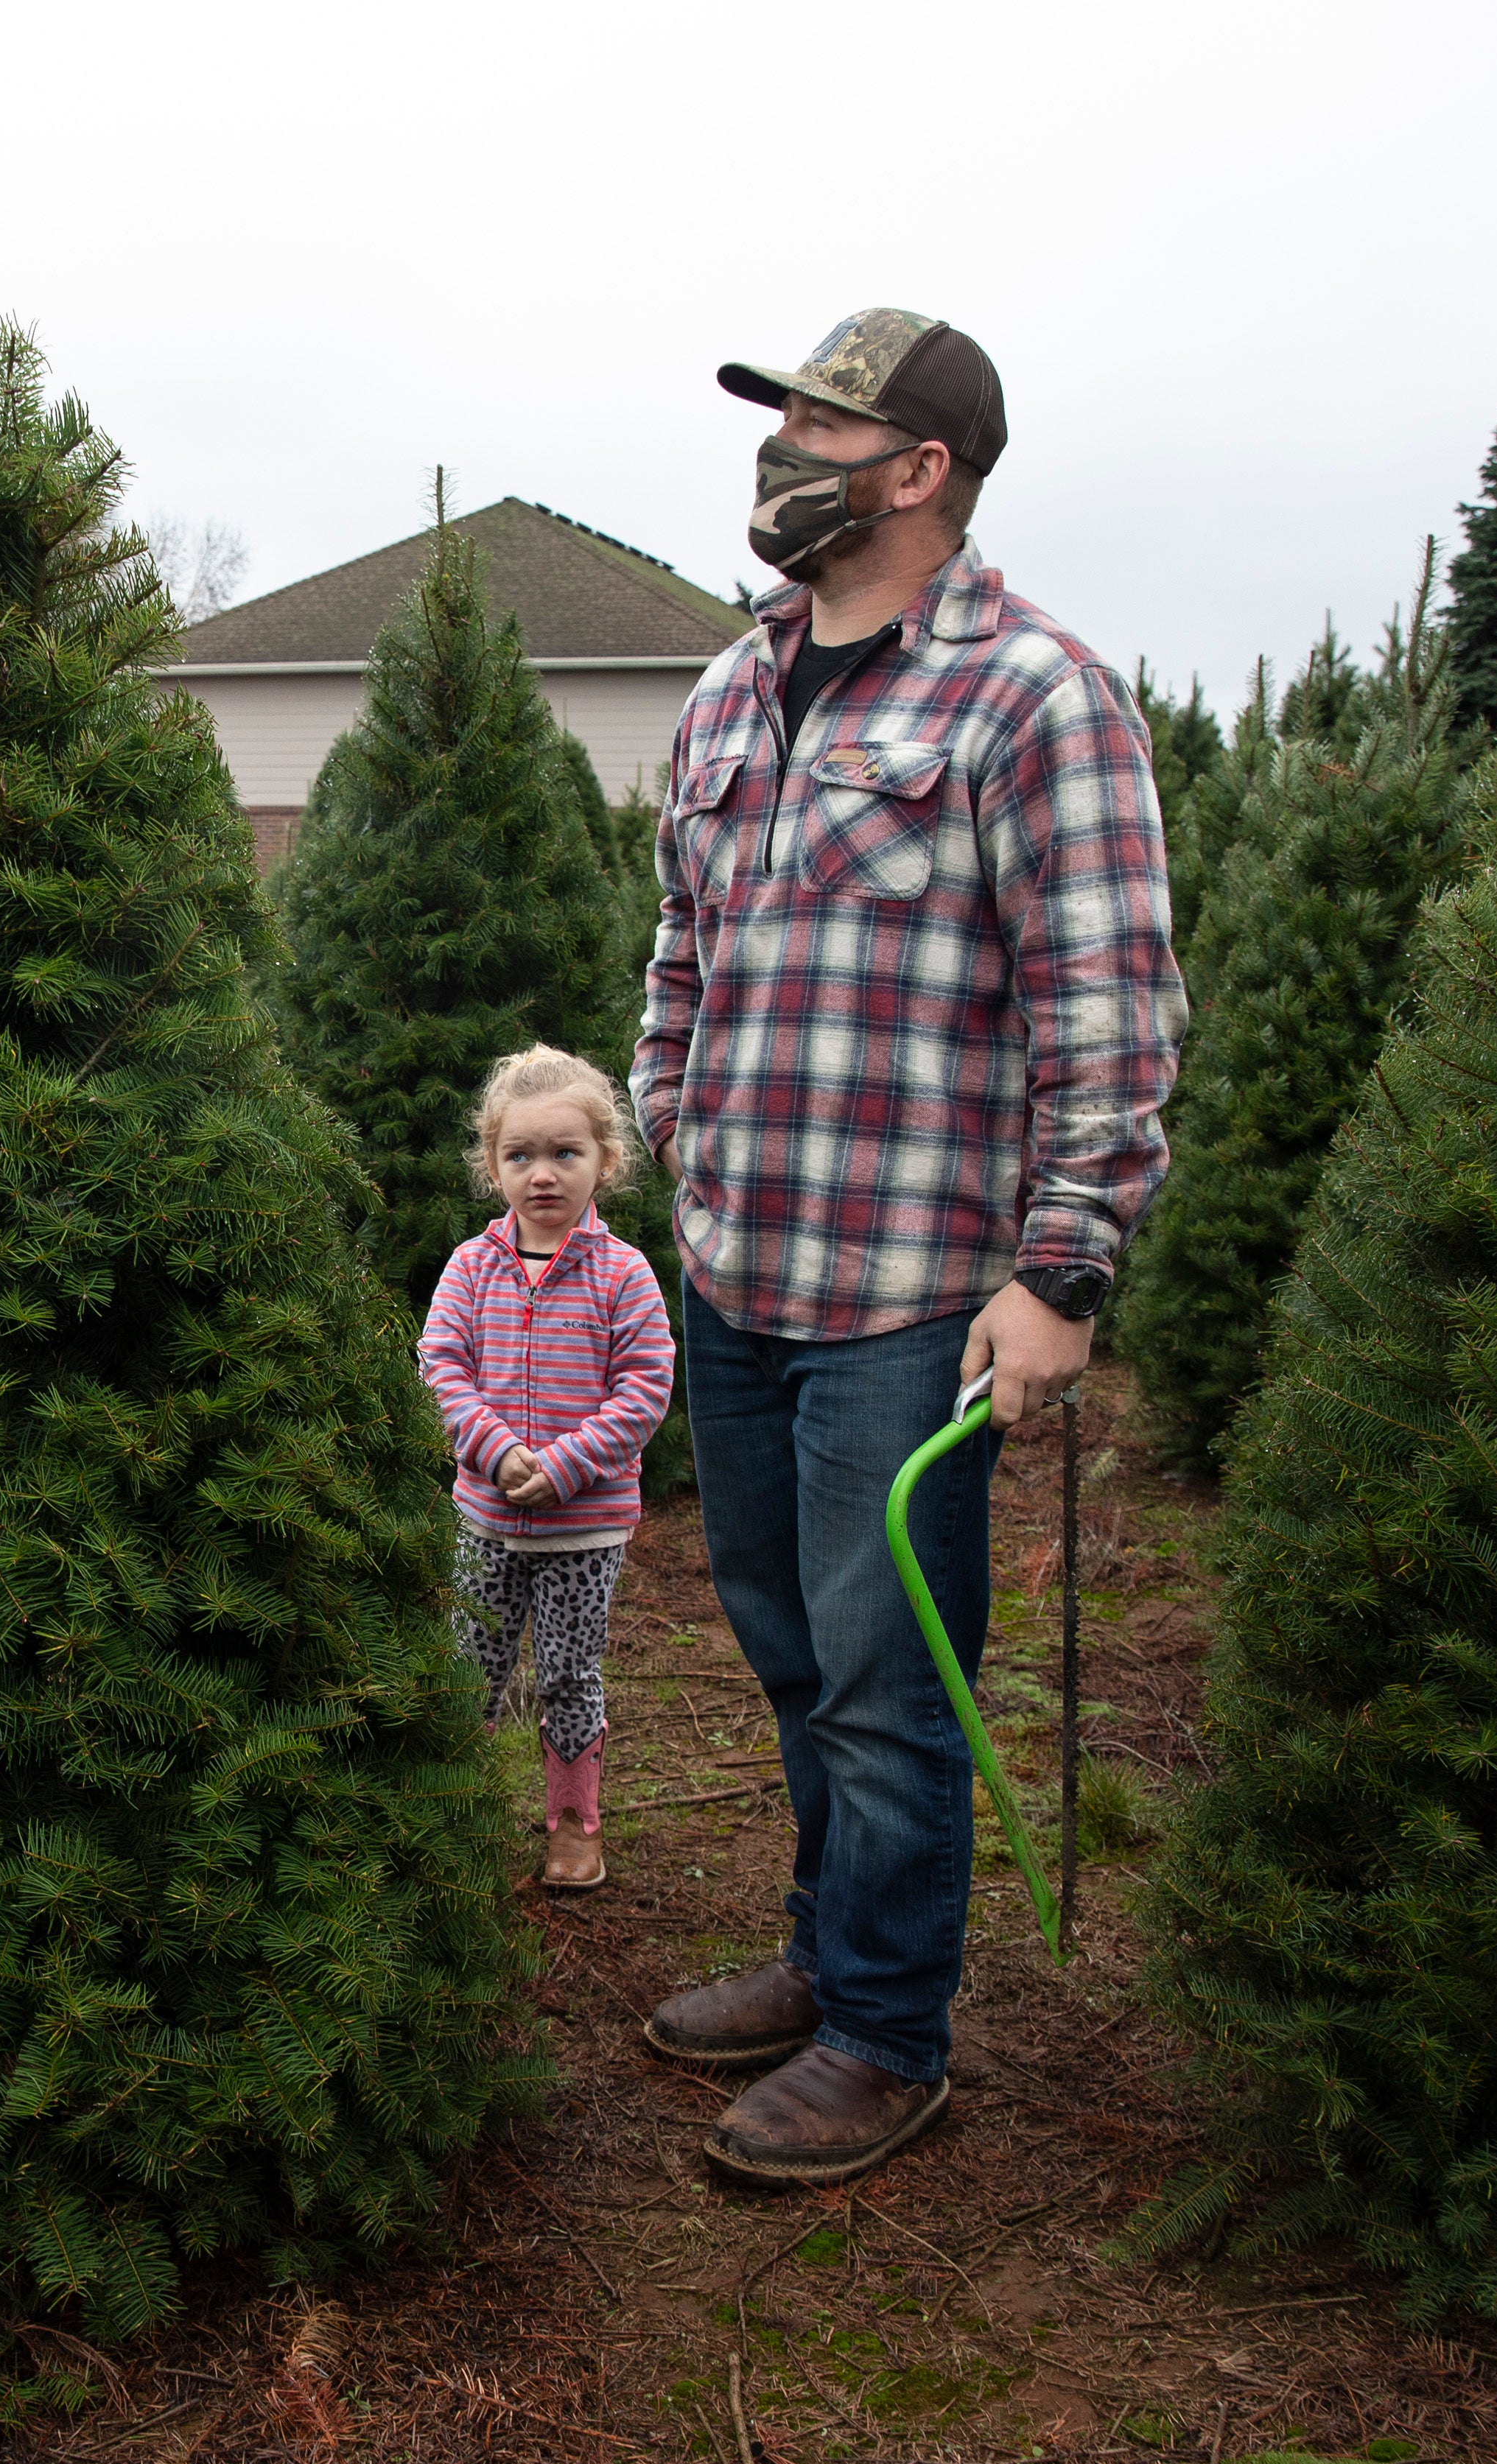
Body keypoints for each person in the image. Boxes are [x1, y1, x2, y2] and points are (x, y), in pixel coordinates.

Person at [627, 309, 1182, 2188]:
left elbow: (1110, 1009)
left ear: (917, 467)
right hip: (735, 1272)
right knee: (786, 1648)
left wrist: (1063, 1272)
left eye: (812, 421)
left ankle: (883, 2029)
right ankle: (820, 1944)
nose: (777, 449)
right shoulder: (730, 689)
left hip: (911, 1302)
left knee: (887, 1674)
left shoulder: (1035, 695)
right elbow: (681, 957)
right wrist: (668, 1126)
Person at [415, 1047, 678, 1892]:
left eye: (566, 1153)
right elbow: (441, 1364)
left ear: (606, 1158)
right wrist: (492, 1447)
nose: (543, 1175)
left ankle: (573, 1825)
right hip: (487, 1521)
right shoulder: (472, 1266)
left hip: (583, 1526)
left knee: (569, 1670)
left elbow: (646, 1390)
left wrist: (564, 1466)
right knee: (474, 1666)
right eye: (520, 1155)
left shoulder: (622, 1274)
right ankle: (459, 1809)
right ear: (492, 1164)